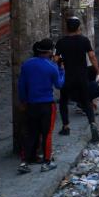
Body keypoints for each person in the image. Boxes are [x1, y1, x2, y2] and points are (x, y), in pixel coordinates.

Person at [18, 38, 65, 174]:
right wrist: (62, 71)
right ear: (50, 51)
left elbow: (22, 86)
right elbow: (59, 85)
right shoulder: (52, 67)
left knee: (31, 133)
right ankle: (47, 161)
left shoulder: (27, 65)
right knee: (47, 133)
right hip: (46, 105)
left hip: (31, 104)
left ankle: (25, 161)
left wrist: (23, 101)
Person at [55, 17, 99, 142]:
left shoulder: (61, 42)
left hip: (67, 76)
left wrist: (62, 63)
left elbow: (55, 59)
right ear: (79, 28)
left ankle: (65, 126)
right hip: (82, 75)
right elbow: (92, 56)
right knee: (86, 100)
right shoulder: (84, 40)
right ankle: (92, 123)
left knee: (64, 101)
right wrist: (97, 71)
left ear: (66, 28)